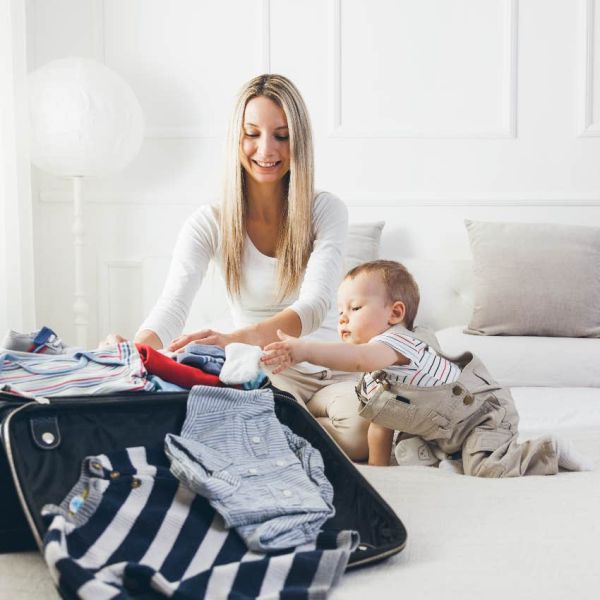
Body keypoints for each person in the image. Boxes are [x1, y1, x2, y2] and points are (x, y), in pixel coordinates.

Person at [106, 74, 368, 460]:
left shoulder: (325, 210)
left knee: (362, 435)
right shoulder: (208, 222)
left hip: (332, 366)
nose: (266, 149)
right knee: (254, 426)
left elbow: (313, 307)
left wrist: (236, 339)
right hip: (272, 370)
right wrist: (134, 353)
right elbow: (172, 306)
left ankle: (297, 427)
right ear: (236, 138)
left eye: (281, 135)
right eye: (252, 133)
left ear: (299, 141)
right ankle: (294, 425)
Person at [261, 260, 593, 475]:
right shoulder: (375, 372)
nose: (344, 317)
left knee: (485, 468)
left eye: (356, 307)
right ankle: (448, 456)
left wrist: (304, 349)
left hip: (482, 416)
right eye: (340, 310)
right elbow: (382, 419)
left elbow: (358, 359)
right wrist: (378, 471)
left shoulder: (398, 344)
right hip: (444, 429)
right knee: (406, 453)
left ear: (394, 314)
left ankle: (548, 449)